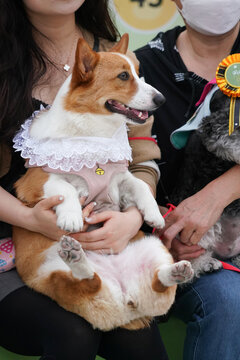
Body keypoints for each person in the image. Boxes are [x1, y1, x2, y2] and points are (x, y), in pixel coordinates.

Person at [0, 1, 169, 359]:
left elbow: (142, 157)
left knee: (137, 337)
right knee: (72, 334)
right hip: (13, 249)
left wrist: (132, 218)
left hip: (103, 243)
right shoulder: (5, 61)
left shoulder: (116, 57)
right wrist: (30, 218)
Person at [135, 0, 240, 359]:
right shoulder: (140, 68)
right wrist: (159, 236)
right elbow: (115, 171)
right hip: (174, 249)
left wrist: (220, 191)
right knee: (228, 300)